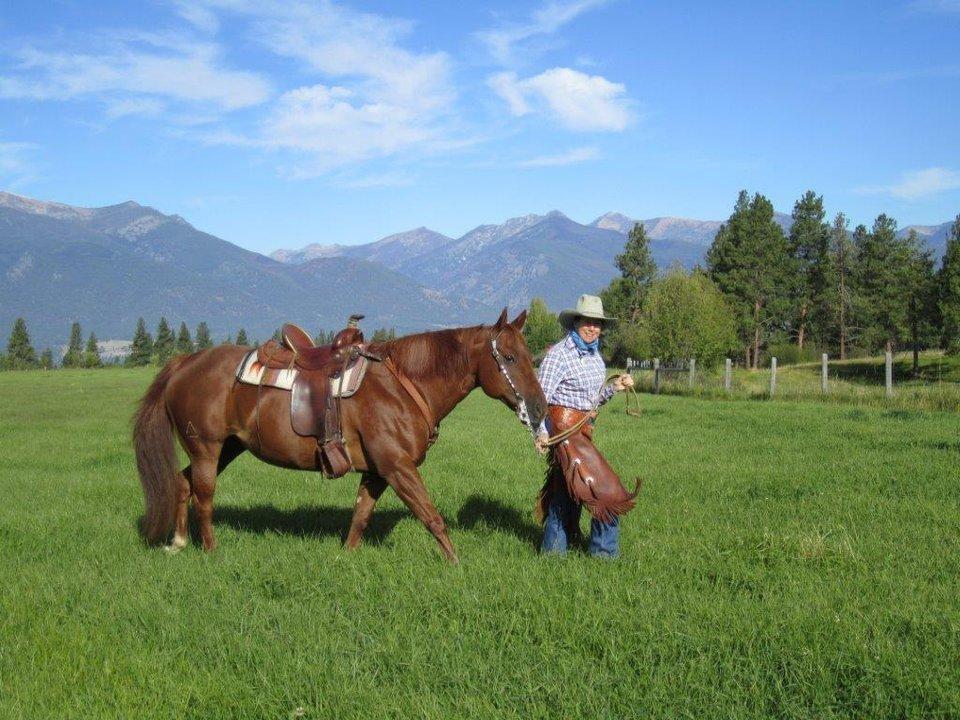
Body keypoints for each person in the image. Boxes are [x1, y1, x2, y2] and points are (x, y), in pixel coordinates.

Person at [535, 294, 635, 558]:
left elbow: (592, 402)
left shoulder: (595, 357)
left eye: (597, 323)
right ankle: (604, 556)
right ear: (576, 323)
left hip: (583, 431)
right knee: (607, 493)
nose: (592, 328)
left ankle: (553, 554)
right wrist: (540, 432)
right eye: (587, 322)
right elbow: (537, 400)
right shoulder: (558, 355)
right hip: (562, 432)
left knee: (566, 491)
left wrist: (614, 387)